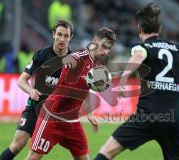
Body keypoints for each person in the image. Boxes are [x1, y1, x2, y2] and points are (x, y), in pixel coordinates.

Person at [94, 2, 179, 160]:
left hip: (147, 116)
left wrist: (123, 80)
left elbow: (138, 56)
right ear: (160, 29)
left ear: (139, 29)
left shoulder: (143, 47)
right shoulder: (177, 48)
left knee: (107, 151)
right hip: (173, 119)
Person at [25, 27, 116, 160]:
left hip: (72, 121)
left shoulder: (96, 64)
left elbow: (87, 89)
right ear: (95, 41)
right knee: (33, 157)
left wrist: (90, 115)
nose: (105, 51)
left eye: (108, 48)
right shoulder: (77, 58)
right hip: (52, 116)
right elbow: (66, 69)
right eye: (103, 46)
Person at [0, 20, 75, 160]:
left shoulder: (74, 61)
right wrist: (31, 91)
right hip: (34, 108)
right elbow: (21, 80)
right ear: (53, 35)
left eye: (66, 35)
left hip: (54, 115)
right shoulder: (41, 55)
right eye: (59, 34)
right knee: (17, 145)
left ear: (71, 37)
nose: (62, 39)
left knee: (35, 155)